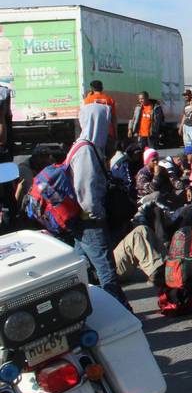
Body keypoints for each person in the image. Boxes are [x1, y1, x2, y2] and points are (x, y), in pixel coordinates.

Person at [71, 103, 130, 307]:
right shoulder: (86, 150)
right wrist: (98, 214)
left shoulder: (88, 147)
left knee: (82, 269)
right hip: (90, 221)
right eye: (106, 122)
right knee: (106, 272)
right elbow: (85, 190)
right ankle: (122, 315)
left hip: (85, 220)